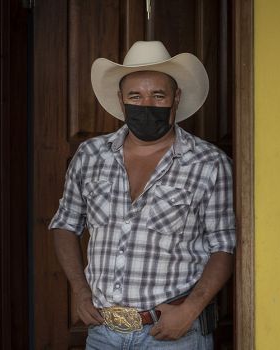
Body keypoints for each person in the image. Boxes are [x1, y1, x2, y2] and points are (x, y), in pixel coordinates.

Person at [49, 41, 236, 349]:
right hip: (103, 334)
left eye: (157, 95)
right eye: (135, 95)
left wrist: (190, 310)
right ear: (121, 100)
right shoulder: (91, 155)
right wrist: (80, 292)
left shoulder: (209, 164)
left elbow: (224, 247)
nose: (146, 103)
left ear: (176, 98)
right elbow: (64, 224)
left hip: (173, 335)